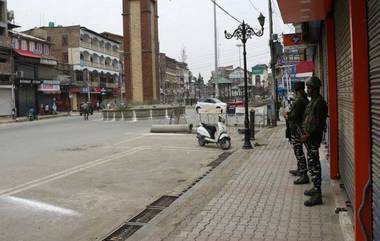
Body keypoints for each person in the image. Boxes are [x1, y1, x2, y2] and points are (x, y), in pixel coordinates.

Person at [298, 76, 328, 207]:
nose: (307, 91)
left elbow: (316, 122)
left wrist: (307, 134)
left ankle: (317, 194)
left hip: (313, 138)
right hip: (309, 138)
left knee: (315, 165)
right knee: (312, 164)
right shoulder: (314, 101)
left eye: (309, 88)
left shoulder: (319, 102)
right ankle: (315, 188)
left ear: (315, 89)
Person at [286, 82, 309, 185]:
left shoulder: (300, 101)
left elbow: (293, 116)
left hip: (298, 130)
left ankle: (303, 174)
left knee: (298, 151)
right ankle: (300, 169)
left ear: (297, 91)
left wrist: (286, 115)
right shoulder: (304, 100)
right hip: (300, 129)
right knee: (298, 150)